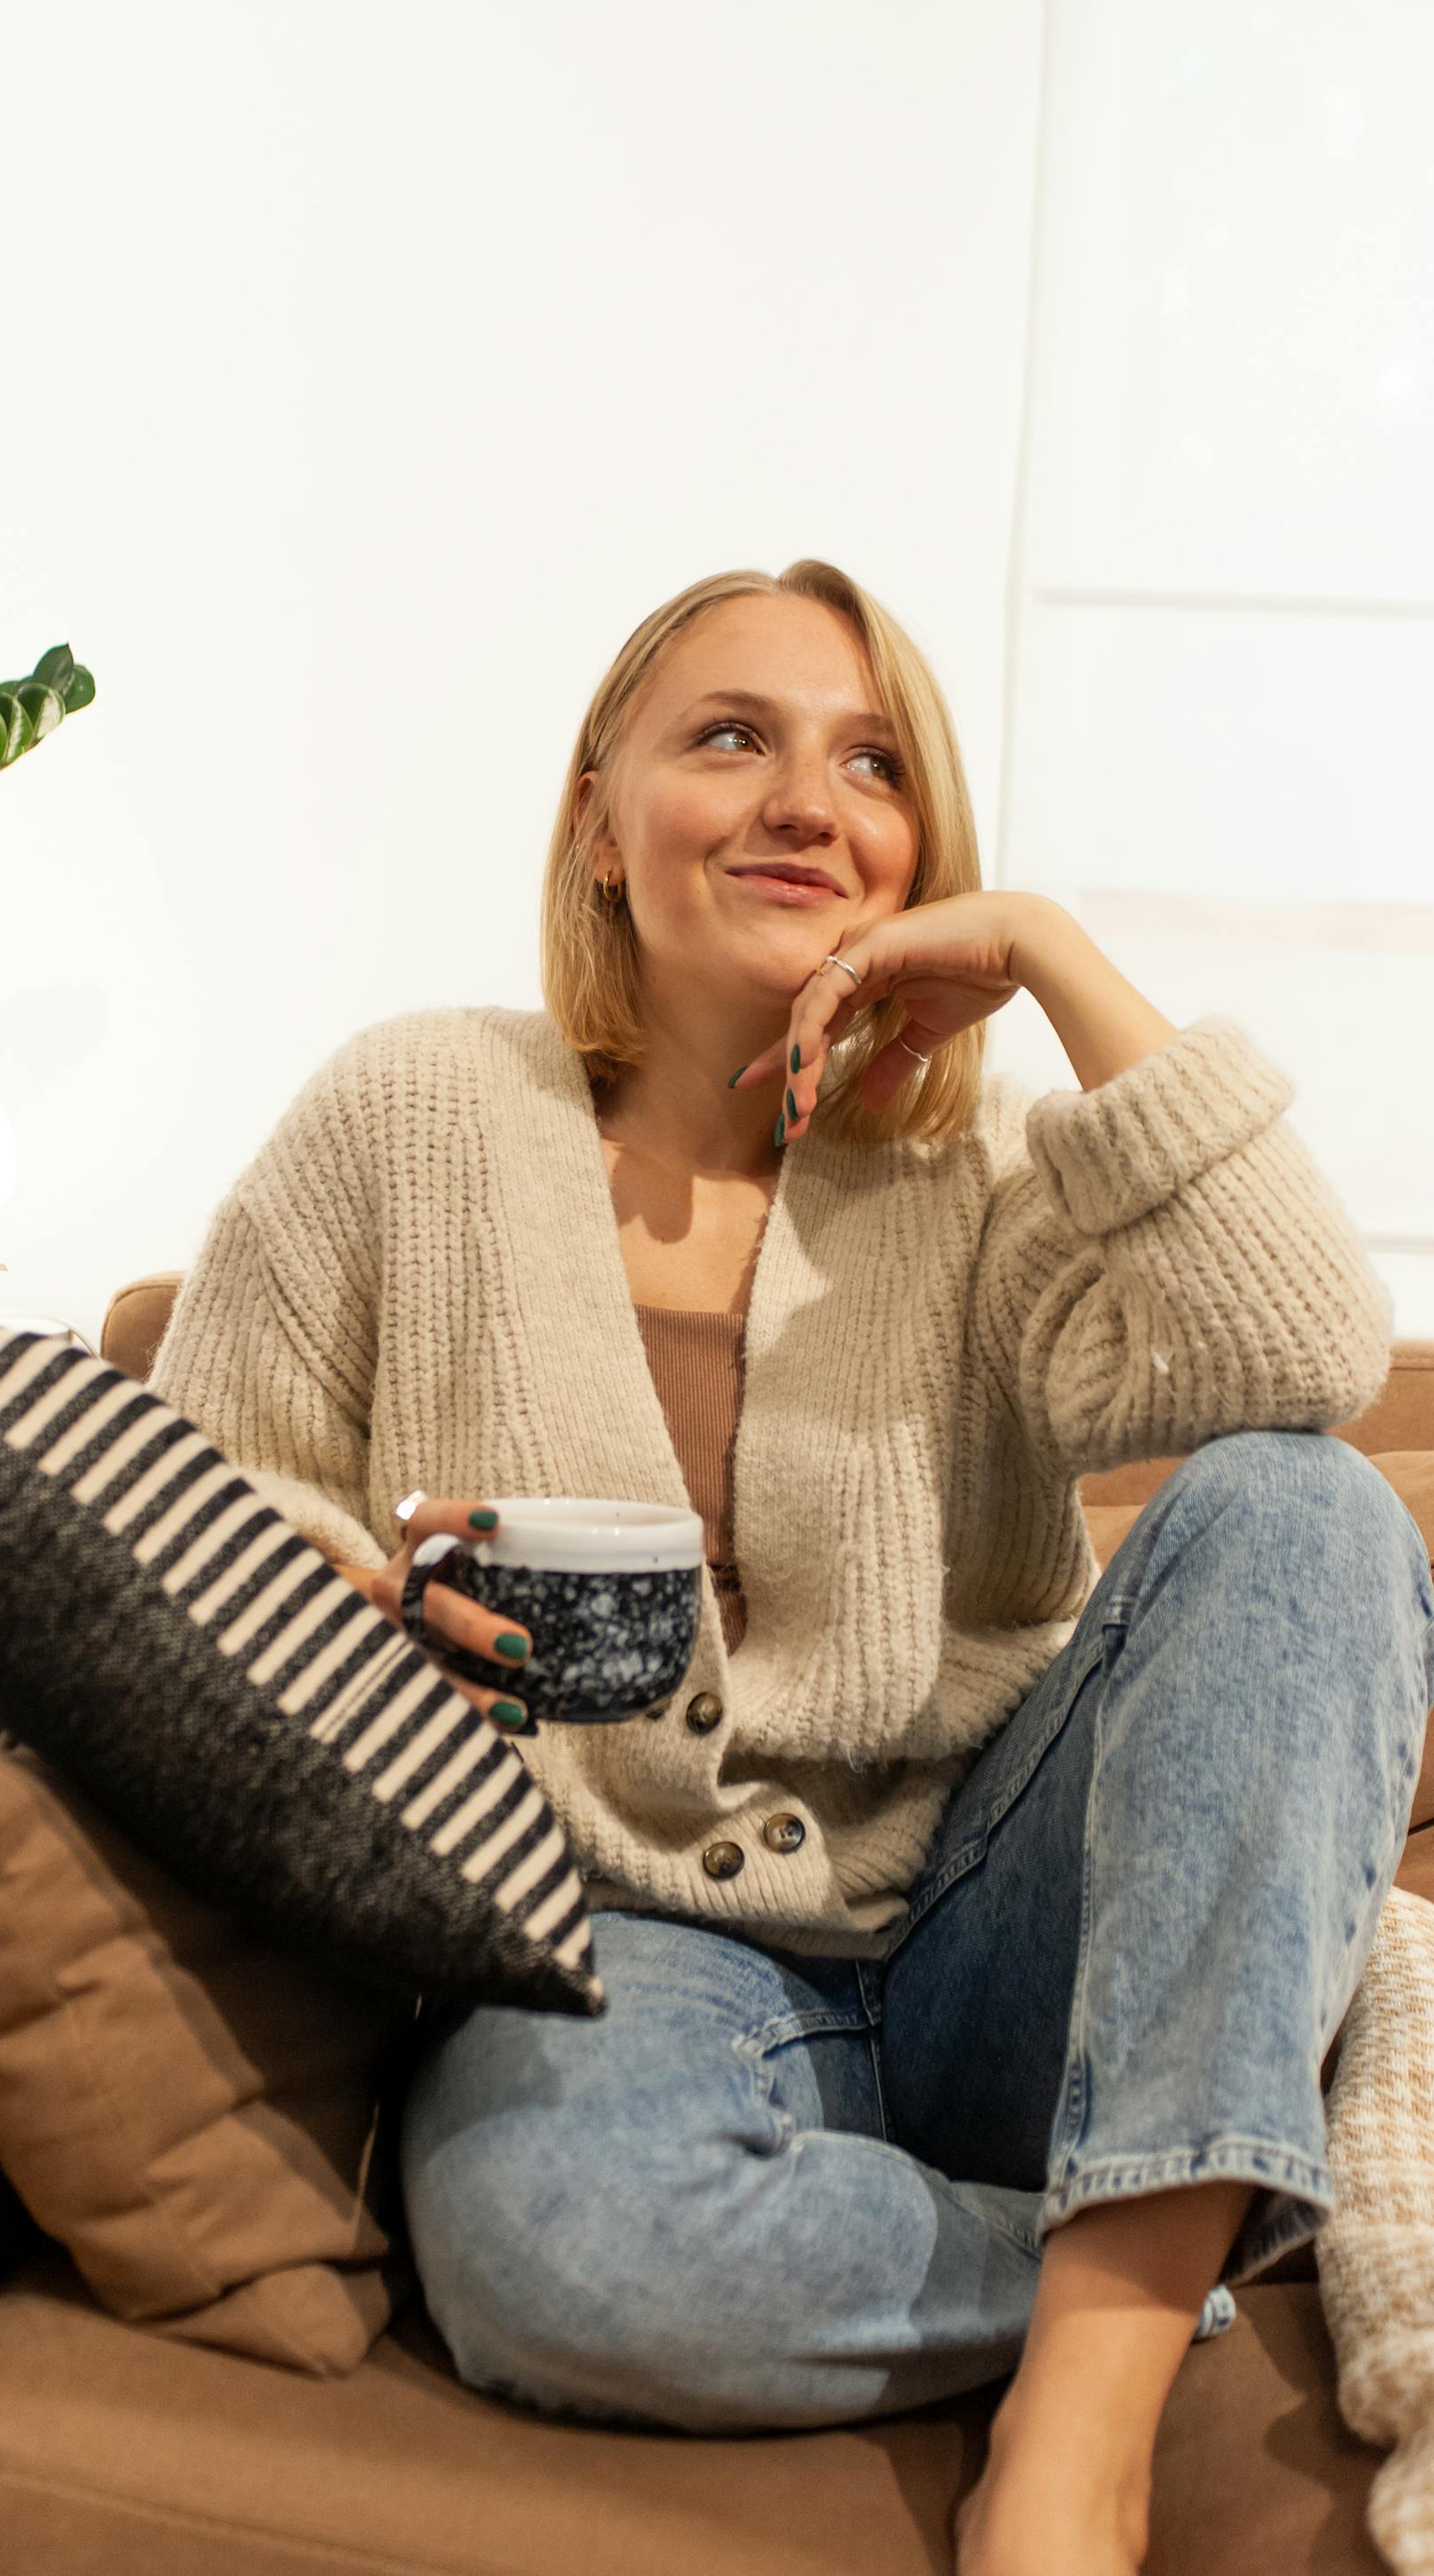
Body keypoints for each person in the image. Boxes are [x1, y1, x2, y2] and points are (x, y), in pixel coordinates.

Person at [146, 560, 1434, 2576]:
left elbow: (1307, 1356)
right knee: (564, 2252)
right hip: (620, 1945)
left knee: (1308, 1504)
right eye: (732, 736)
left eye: (874, 763)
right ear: (600, 812)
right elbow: (198, 1503)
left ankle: (1079, 2430)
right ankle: (1149, 2239)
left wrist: (1049, 953)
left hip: (1000, 1920)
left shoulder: (984, 1171)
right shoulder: (412, 1111)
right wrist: (363, 1611)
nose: (806, 803)